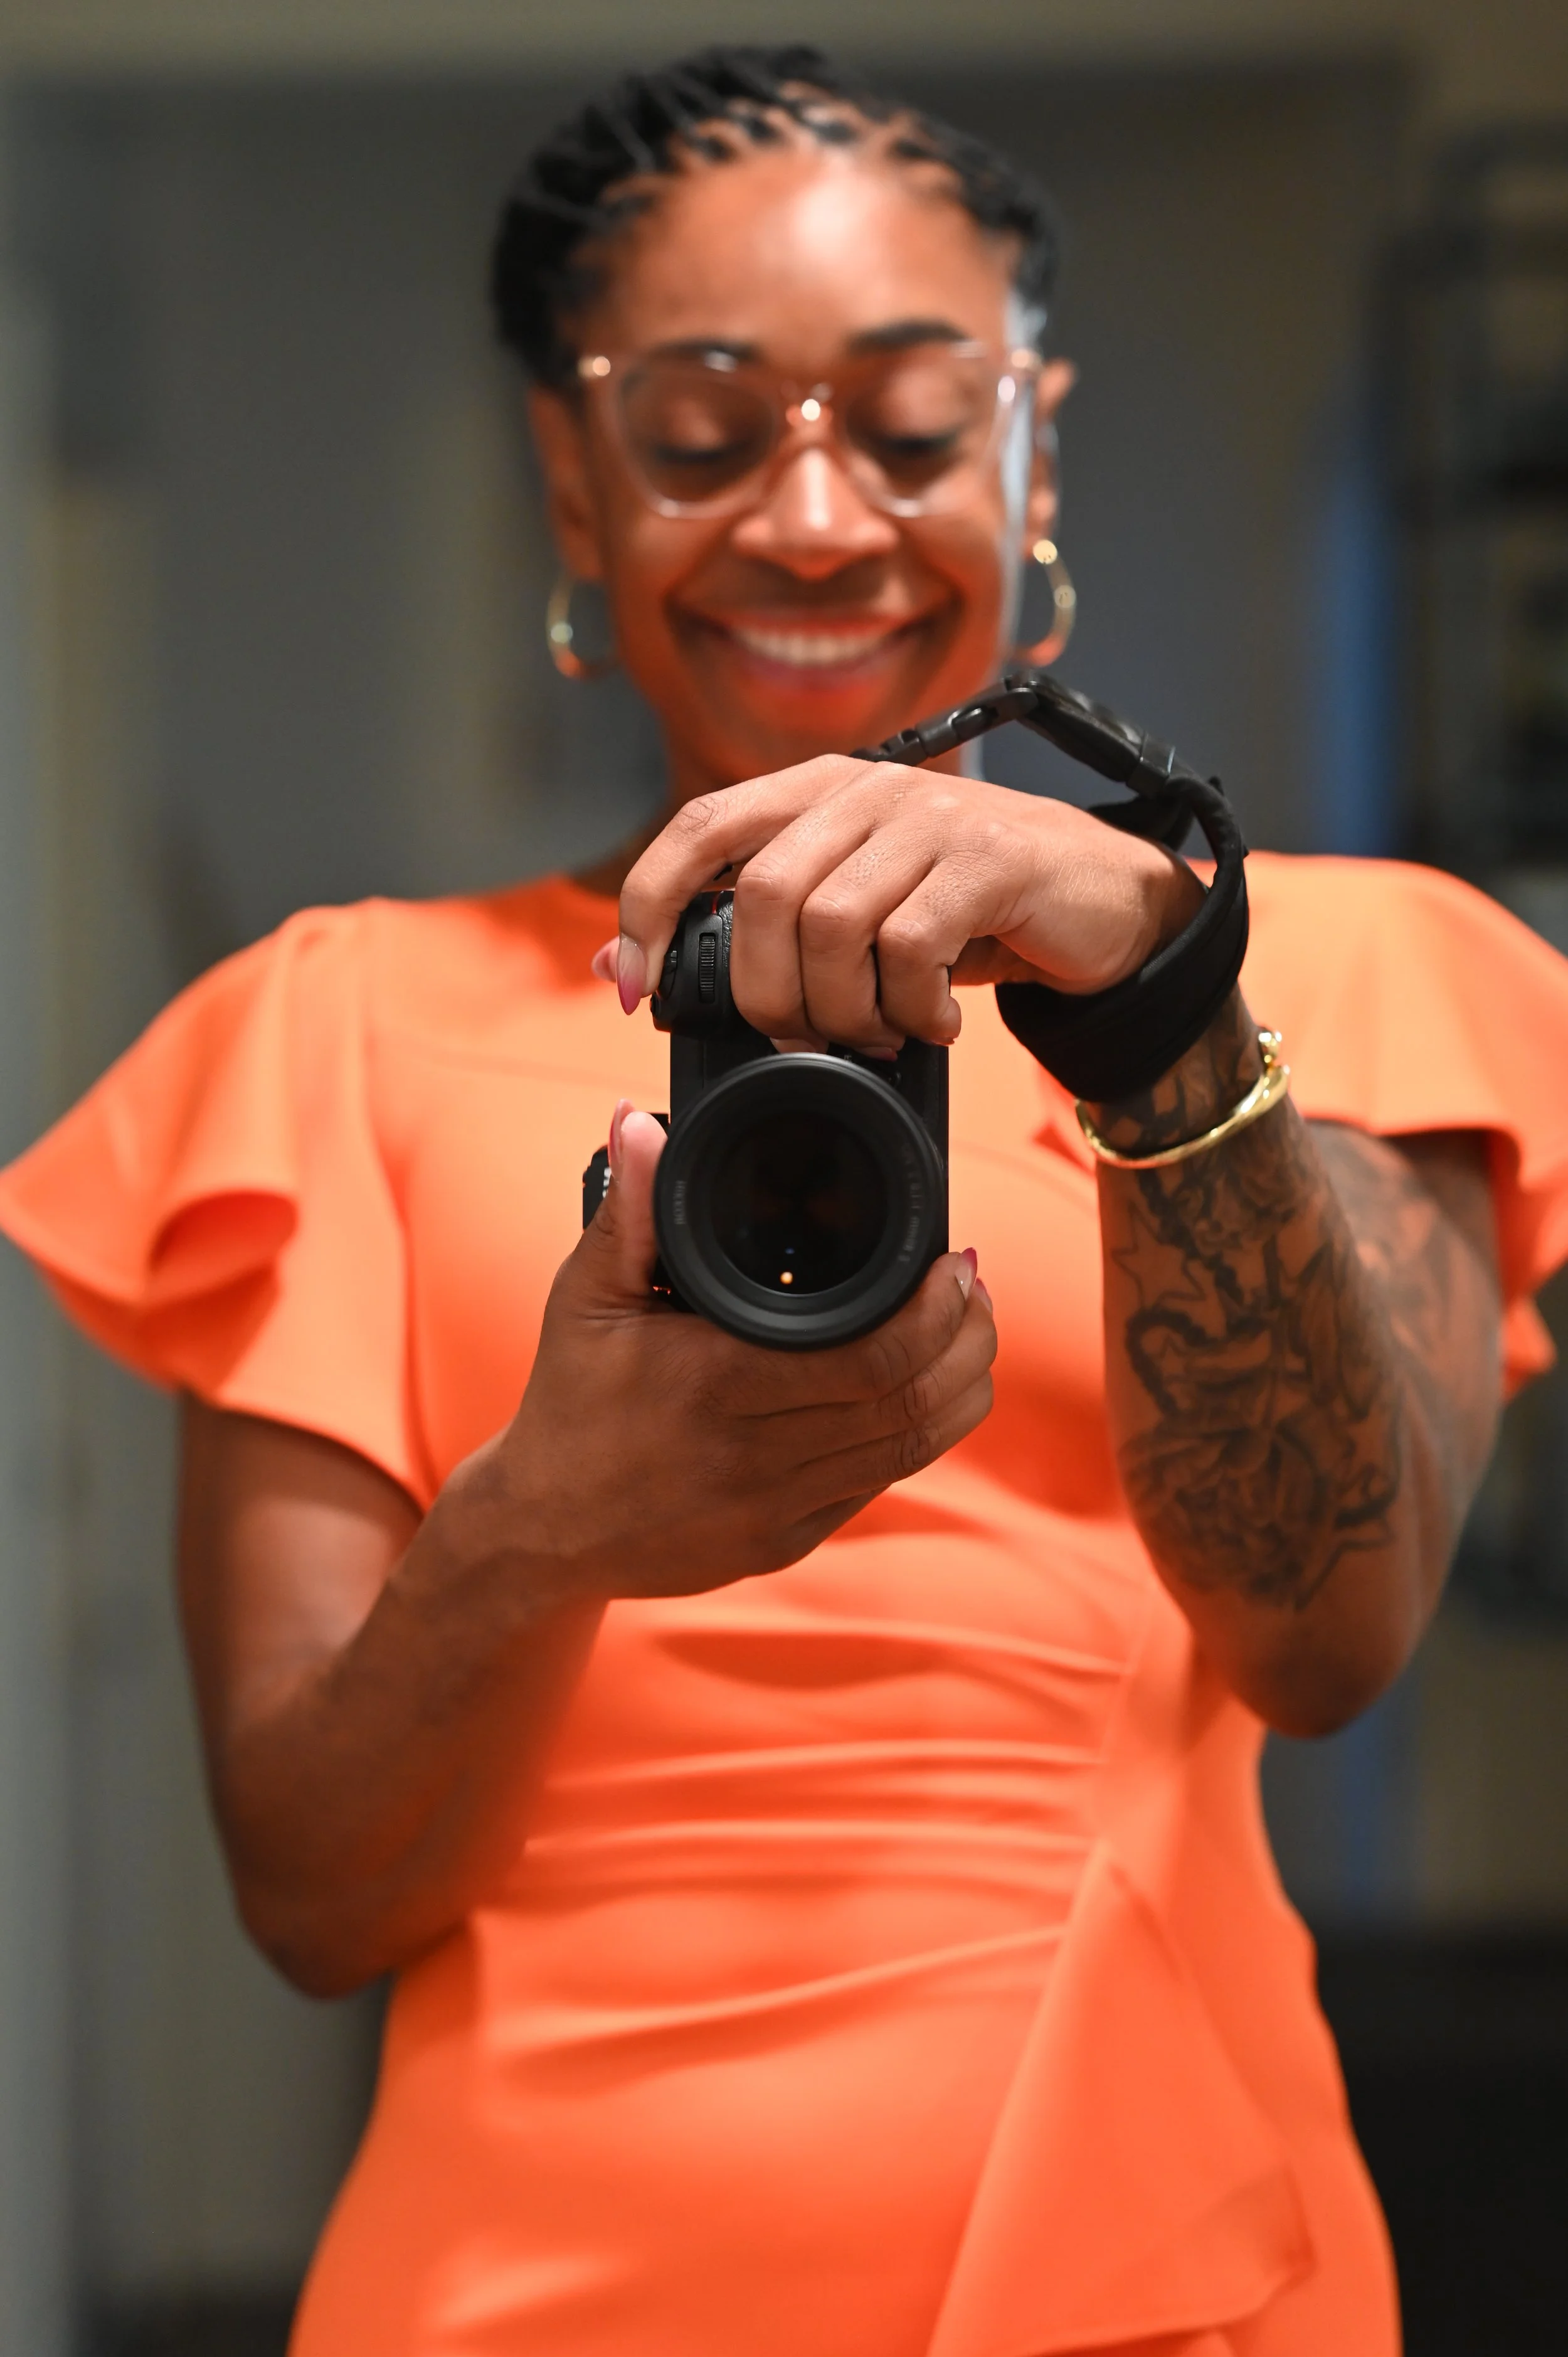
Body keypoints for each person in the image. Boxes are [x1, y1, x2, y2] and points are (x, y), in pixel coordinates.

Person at [4, 45, 1568, 2357]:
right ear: (572, 475)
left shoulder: (1308, 962)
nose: (818, 520)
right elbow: (317, 1891)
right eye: (707, 434)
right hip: (522, 2295)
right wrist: (544, 1521)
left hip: (1160, 2275)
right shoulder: (324, 1027)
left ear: (1033, 437)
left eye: (917, 429)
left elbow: (1319, 1642)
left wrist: (1153, 1003)